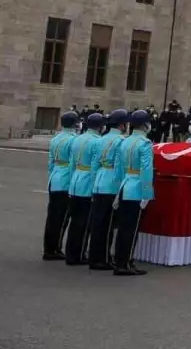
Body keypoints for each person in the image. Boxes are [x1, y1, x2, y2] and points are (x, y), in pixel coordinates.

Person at [112, 110, 155, 276]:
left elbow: (118, 169)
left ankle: (119, 261)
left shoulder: (124, 142)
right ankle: (125, 263)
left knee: (123, 227)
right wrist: (147, 194)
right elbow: (146, 171)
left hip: (125, 185)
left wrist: (118, 190)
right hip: (136, 188)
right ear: (145, 125)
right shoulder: (144, 144)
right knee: (131, 229)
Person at [86, 109, 128, 270]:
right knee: (108, 224)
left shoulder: (101, 139)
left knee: (97, 223)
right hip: (111, 184)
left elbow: (94, 165)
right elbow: (119, 167)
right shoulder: (120, 140)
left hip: (99, 182)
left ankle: (94, 256)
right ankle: (102, 259)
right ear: (122, 125)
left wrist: (93, 183)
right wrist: (120, 188)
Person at [64, 112, 104, 265]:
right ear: (100, 127)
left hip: (75, 180)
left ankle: (70, 253)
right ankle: (79, 255)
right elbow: (95, 167)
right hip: (87, 181)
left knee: (75, 221)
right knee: (84, 222)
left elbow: (72, 163)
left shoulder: (77, 139)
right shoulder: (97, 142)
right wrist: (95, 187)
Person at [43, 111, 80, 260]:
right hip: (65, 180)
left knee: (52, 216)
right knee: (63, 217)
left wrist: (52, 175)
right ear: (74, 124)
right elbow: (73, 164)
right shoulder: (74, 140)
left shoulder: (56, 138)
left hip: (55, 178)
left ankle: (48, 247)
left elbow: (51, 162)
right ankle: (55, 249)